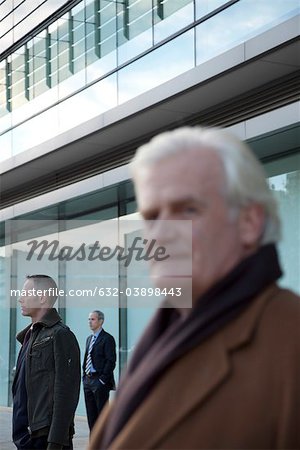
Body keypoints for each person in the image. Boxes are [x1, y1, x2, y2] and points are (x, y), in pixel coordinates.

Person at [89, 126, 300, 449]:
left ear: (249, 222)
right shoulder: (167, 331)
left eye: (187, 209)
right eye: (151, 216)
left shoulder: (290, 341)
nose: (161, 233)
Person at [12, 275, 81, 450]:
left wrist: (56, 442)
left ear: (42, 297)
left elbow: (67, 393)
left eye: (25, 293)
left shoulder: (60, 335)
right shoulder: (29, 336)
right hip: (26, 438)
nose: (20, 298)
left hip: (45, 438)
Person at [83, 310, 116, 432]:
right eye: (89, 319)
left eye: (93, 319)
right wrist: (84, 378)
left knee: (102, 418)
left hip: (99, 382)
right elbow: (87, 358)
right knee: (91, 418)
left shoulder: (107, 339)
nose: (89, 322)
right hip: (88, 381)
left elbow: (111, 361)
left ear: (101, 321)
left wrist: (102, 380)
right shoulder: (89, 339)